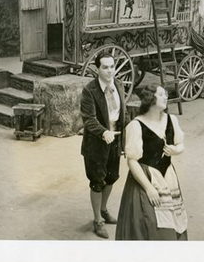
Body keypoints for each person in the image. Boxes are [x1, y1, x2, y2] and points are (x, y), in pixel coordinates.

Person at [115, 83, 188, 240]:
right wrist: (148, 188)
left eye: (165, 94)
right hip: (145, 178)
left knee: (173, 220)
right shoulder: (136, 125)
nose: (166, 97)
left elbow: (180, 143)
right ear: (150, 99)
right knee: (148, 223)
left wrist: (176, 150)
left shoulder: (171, 120)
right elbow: (132, 161)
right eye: (161, 94)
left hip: (168, 176)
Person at [80, 51, 129, 239]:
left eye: (112, 67)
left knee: (112, 177)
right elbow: (89, 119)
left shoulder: (118, 84)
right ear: (97, 68)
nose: (110, 71)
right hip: (97, 143)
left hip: (115, 140)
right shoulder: (89, 90)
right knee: (97, 181)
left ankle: (103, 210)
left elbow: (122, 112)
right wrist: (104, 132)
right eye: (105, 67)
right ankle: (97, 220)